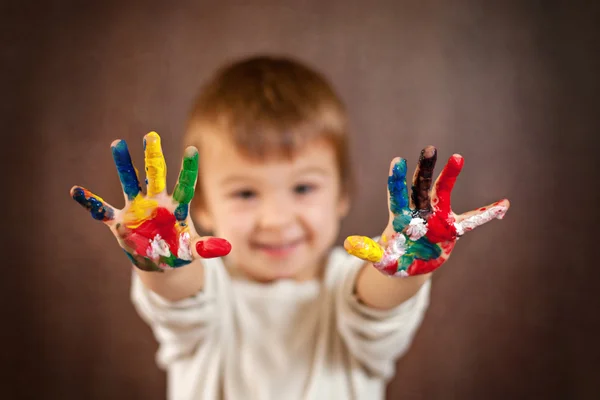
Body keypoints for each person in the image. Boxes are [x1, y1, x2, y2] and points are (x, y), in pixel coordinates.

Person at [71, 55, 510, 400]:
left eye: (303, 188)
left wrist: (403, 266)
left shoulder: (349, 283)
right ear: (201, 205)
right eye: (245, 193)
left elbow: (376, 306)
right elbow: (181, 298)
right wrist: (162, 263)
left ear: (342, 194)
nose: (276, 219)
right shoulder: (208, 287)